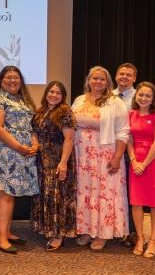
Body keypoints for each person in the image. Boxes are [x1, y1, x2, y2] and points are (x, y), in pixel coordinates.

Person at [71, 66, 130, 251]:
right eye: (94, 78)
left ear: (108, 82)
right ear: (88, 80)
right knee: (85, 193)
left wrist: (117, 157)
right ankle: (87, 230)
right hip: (83, 156)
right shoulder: (79, 100)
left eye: (102, 79)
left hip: (105, 154)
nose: (98, 82)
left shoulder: (115, 102)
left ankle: (103, 233)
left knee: (104, 193)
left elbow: (123, 132)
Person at [0, 66, 39, 254]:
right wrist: (18, 147)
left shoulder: (22, 100)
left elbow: (31, 126)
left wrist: (34, 143)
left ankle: (6, 231)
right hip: (6, 153)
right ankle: (0, 237)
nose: (12, 80)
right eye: (8, 77)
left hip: (23, 153)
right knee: (5, 195)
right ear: (1, 80)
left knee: (11, 194)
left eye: (16, 77)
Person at [29, 80, 77, 252]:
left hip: (58, 160)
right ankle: (48, 228)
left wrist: (63, 163)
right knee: (45, 195)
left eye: (58, 93)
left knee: (57, 197)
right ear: (46, 93)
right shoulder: (40, 111)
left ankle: (58, 235)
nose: (54, 95)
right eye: (51, 91)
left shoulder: (65, 112)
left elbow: (69, 139)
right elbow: (34, 131)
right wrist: (35, 144)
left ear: (62, 96)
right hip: (42, 161)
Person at [127, 82, 155, 258]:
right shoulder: (130, 114)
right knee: (136, 201)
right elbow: (128, 139)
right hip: (135, 160)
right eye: (141, 95)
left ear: (154, 98)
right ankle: (140, 238)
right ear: (136, 96)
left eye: (148, 96)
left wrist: (143, 164)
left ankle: (153, 240)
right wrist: (133, 160)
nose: (144, 98)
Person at [112, 62, 137, 247]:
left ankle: (132, 231)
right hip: (109, 149)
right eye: (122, 74)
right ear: (116, 76)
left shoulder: (140, 97)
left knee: (131, 193)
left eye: (129, 75)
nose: (124, 77)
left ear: (134, 78)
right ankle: (115, 227)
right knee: (113, 191)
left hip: (133, 151)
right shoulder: (108, 96)